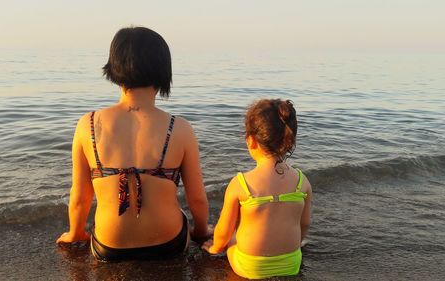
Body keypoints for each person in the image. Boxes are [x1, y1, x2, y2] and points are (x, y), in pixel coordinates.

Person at [56, 26, 211, 261]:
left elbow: (80, 196)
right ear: (163, 69)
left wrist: (75, 234)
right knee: (179, 214)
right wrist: (201, 232)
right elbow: (197, 197)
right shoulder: (180, 128)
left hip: (108, 246)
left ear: (114, 66)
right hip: (168, 243)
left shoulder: (87, 124)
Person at [202, 99, 312, 279]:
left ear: (251, 141)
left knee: (233, 235)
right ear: (289, 140)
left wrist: (214, 248)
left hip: (250, 267)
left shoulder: (241, 183)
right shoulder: (302, 181)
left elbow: (222, 231)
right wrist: (296, 243)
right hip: (291, 263)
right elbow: (305, 223)